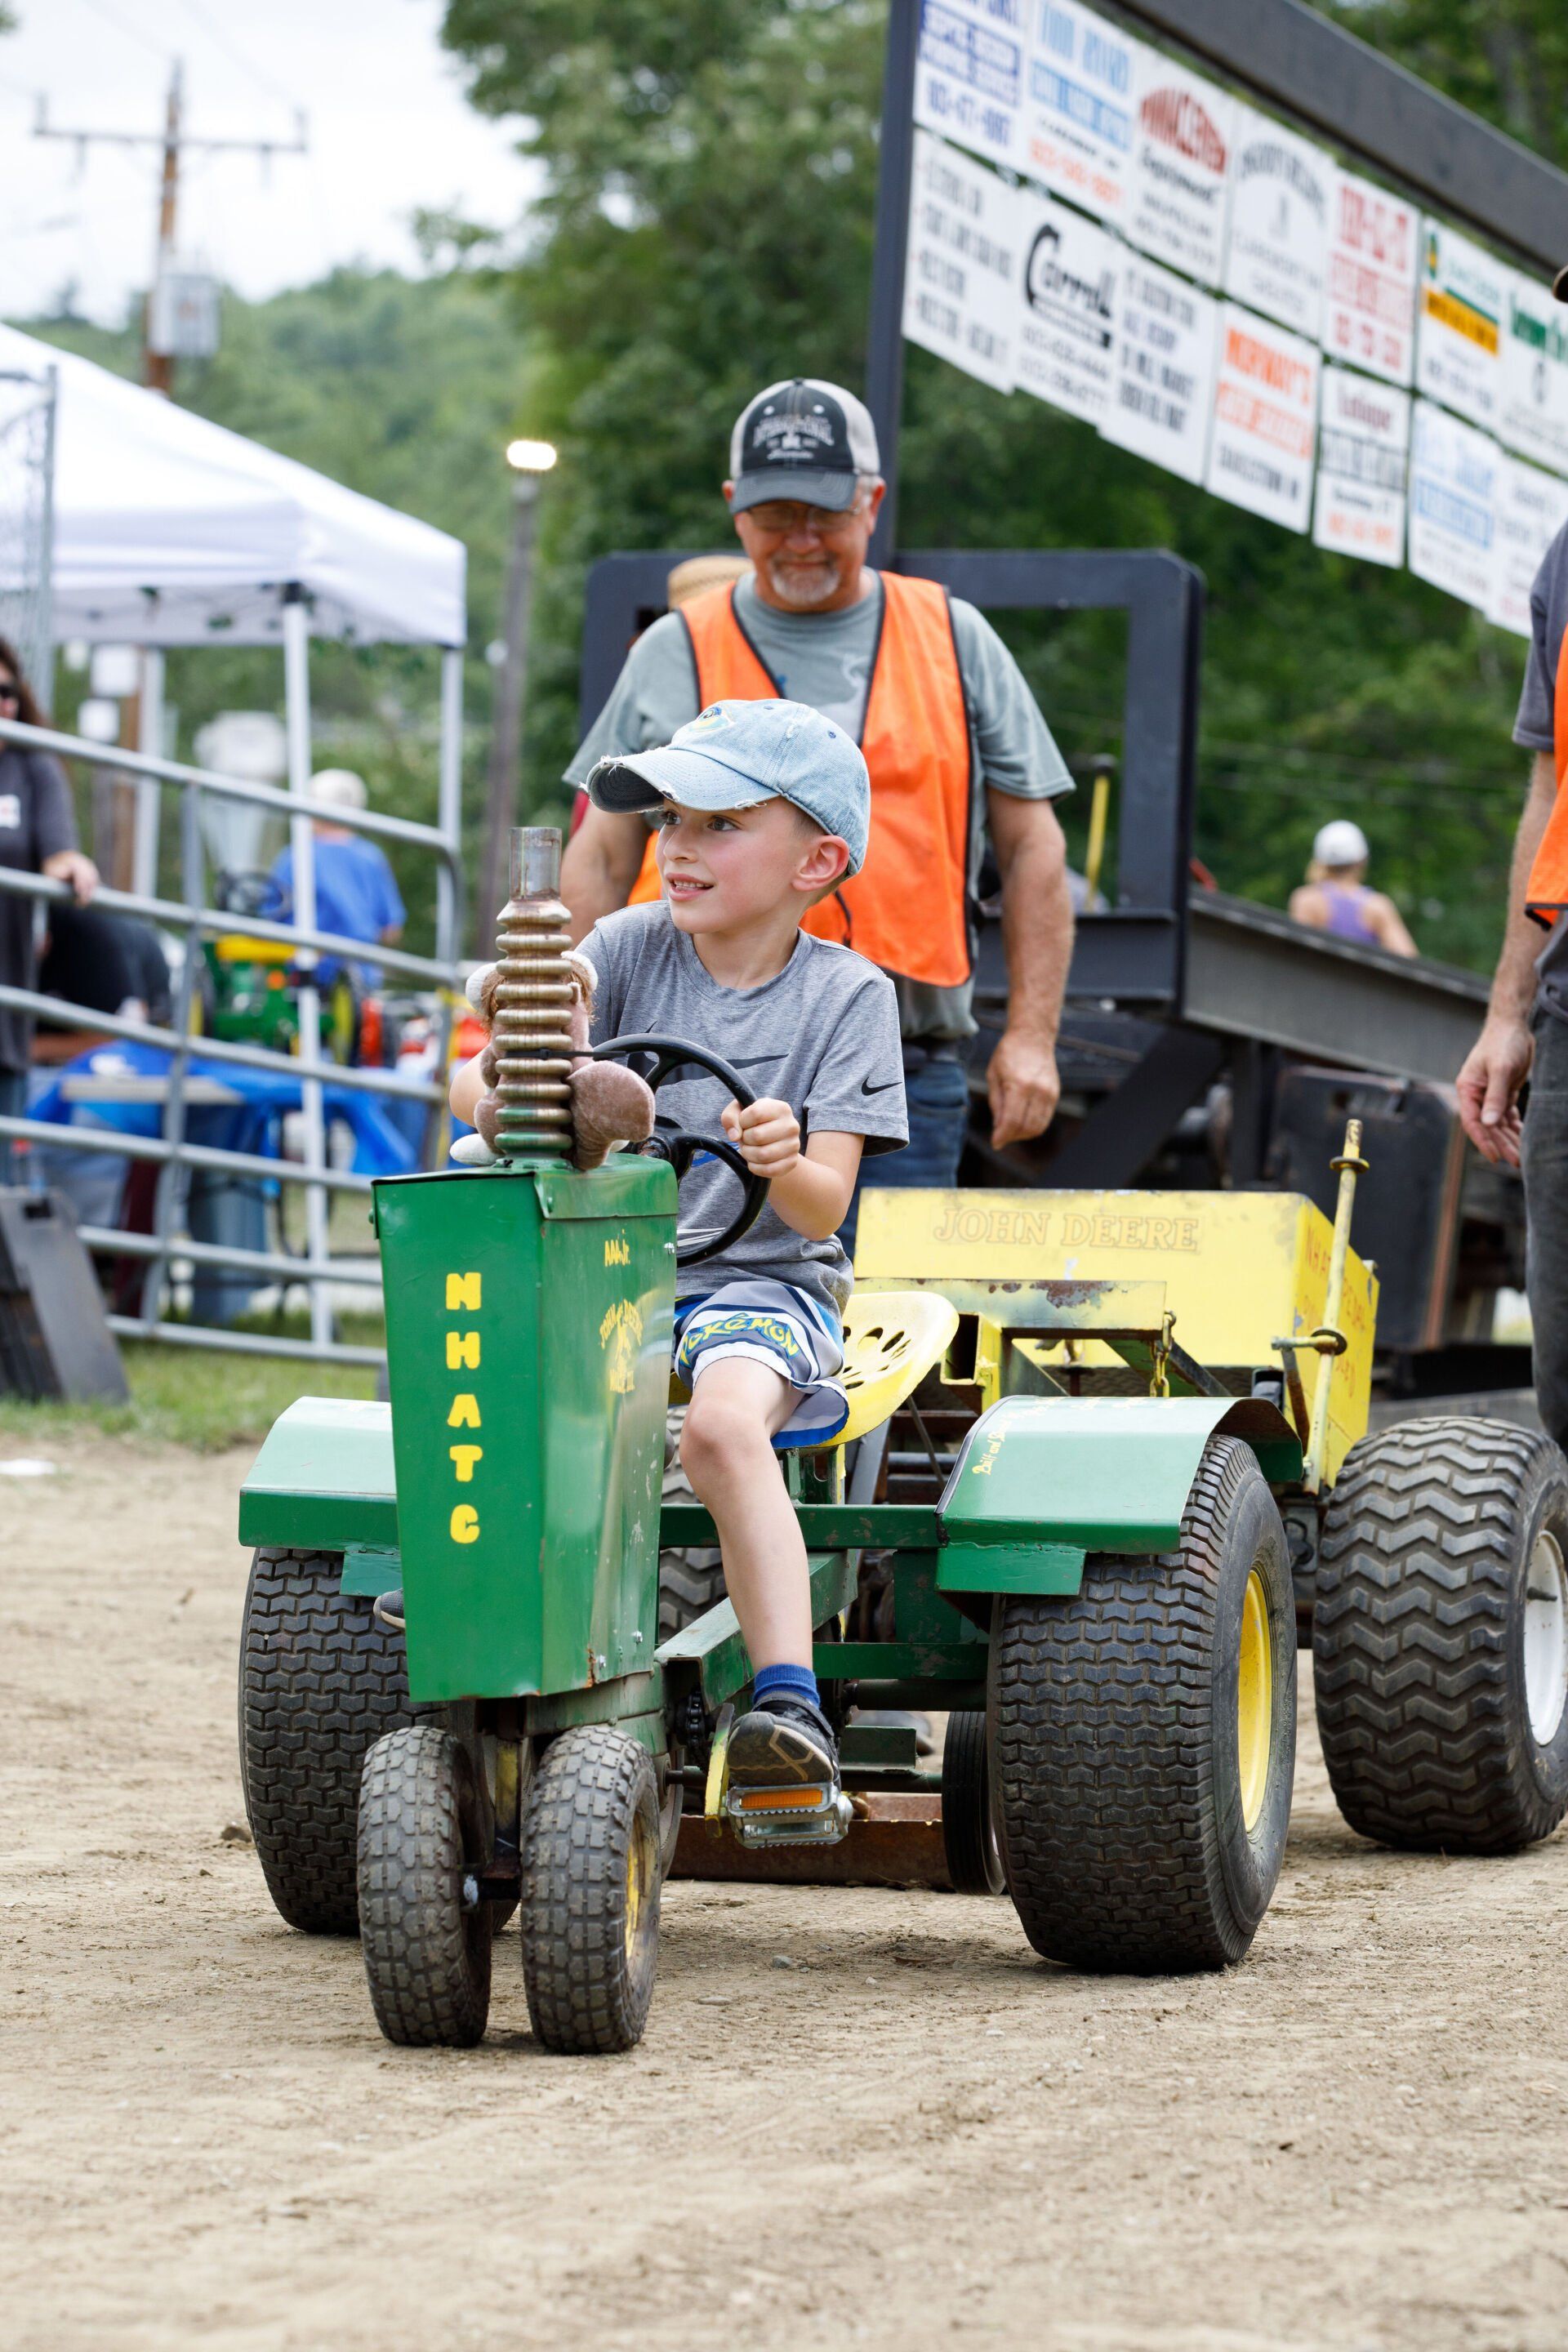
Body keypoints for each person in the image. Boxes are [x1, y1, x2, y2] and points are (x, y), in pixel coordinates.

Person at [452, 698, 906, 1799]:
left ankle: (788, 1702)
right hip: (611, 1268)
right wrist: (514, 1093)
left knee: (714, 1426)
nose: (680, 847)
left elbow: (819, 1210)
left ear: (819, 860)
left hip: (760, 1279)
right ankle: (468, 1581)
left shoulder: (848, 997)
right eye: (672, 821)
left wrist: (781, 1156)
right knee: (479, 1367)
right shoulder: (620, 946)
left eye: (719, 825)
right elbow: (479, 1082)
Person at [560, 377, 1074, 1224]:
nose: (800, 538)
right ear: (734, 509)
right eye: (774, 515)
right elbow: (603, 851)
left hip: (901, 1066)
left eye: (824, 514)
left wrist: (1032, 1035)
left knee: (895, 1328)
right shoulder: (673, 646)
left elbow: (1032, 848)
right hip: (686, 1068)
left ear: (872, 503)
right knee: (666, 1322)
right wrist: (576, 1029)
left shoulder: (956, 635)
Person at [1457, 330, 1568, 1453]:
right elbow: (1550, 789)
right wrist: (1507, 1009)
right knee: (1567, 1368)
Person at [0, 636, 98, 1178]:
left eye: (6, 691)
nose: (1, 705)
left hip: (5, 1015)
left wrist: (69, 864)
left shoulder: (32, 768)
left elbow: (60, 850)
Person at [263, 768, 404, 984]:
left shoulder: (295, 856)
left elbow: (269, 917)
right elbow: (391, 930)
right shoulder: (371, 857)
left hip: (303, 977)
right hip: (359, 980)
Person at [1288, 819, 1418, 956]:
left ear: (1320, 860)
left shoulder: (1307, 900)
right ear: (1362, 861)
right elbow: (1408, 959)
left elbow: (1296, 954)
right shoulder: (1377, 906)